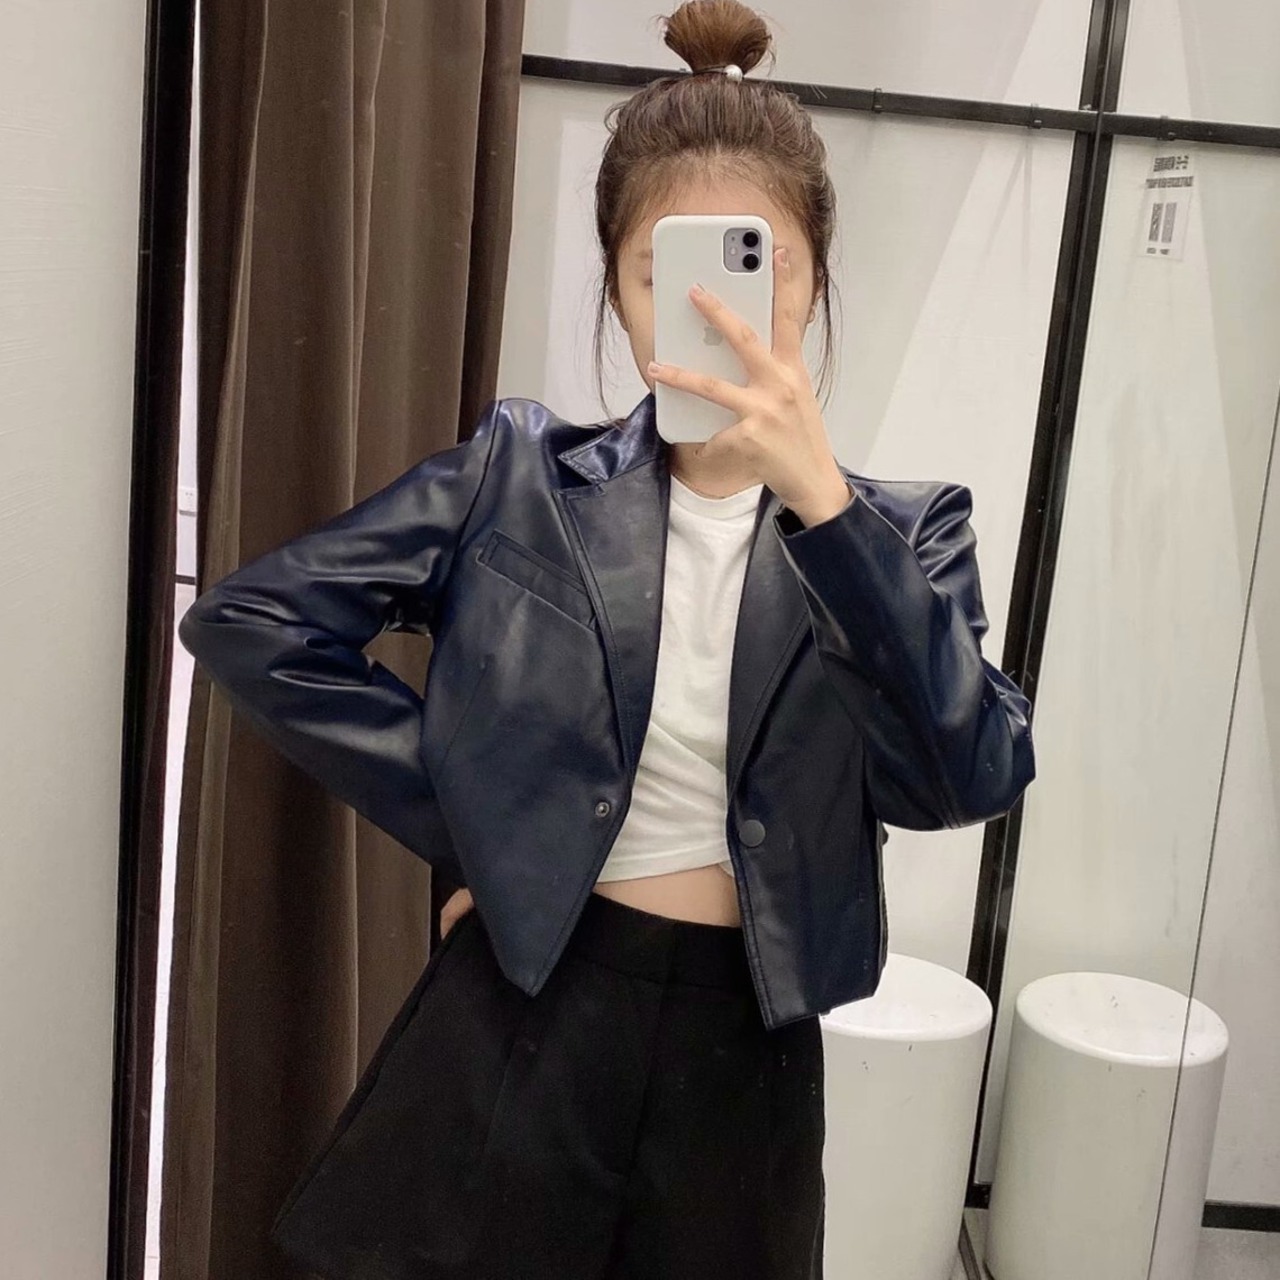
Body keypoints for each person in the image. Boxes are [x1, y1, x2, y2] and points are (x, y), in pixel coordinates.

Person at [177, 2, 1035, 1276]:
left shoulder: (907, 534)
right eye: (658, 274)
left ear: (811, 281)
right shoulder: (516, 477)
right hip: (527, 1005)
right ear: (619, 295)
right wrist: (491, 820)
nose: (711, 312)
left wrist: (826, 512)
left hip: (747, 1048)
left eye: (755, 267)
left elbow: (963, 775)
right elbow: (251, 620)